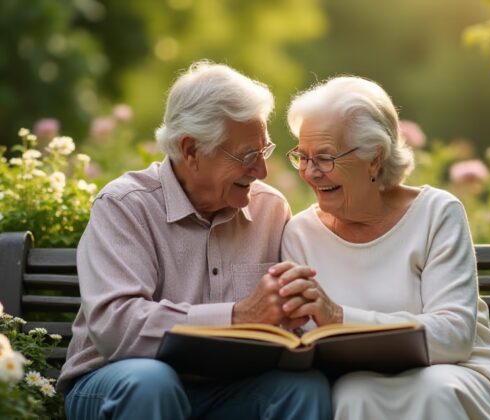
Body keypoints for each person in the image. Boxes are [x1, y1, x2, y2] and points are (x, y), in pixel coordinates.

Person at [58, 61, 331, 420]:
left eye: (262, 152)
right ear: (190, 150)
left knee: (304, 388)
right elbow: (117, 326)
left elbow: (285, 324)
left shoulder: (270, 209)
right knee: (152, 382)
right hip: (117, 381)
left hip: (225, 388)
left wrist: (295, 315)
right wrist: (237, 317)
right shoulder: (124, 206)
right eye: (247, 156)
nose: (262, 171)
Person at [278, 76, 490, 419]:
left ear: (374, 158)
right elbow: (306, 343)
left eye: (325, 158)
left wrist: (339, 318)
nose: (310, 172)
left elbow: (452, 337)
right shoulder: (300, 233)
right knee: (353, 393)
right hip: (360, 381)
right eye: (302, 156)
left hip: (461, 371)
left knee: (433, 388)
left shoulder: (436, 213)